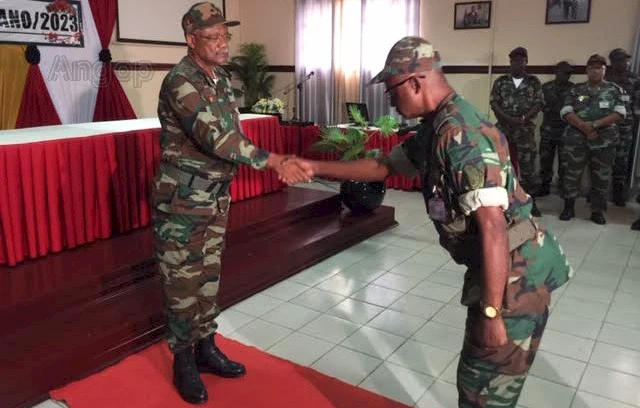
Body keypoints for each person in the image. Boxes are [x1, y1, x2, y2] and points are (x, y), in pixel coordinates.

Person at [284, 36, 572, 408]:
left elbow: (493, 227)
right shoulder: (438, 125)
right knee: (481, 387)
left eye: (391, 91)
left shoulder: (459, 134)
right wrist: (315, 167)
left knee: (481, 392)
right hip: (509, 266)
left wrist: (491, 312)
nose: (389, 101)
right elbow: (384, 165)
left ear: (416, 82)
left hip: (516, 274)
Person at [151, 2, 309, 404]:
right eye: (214, 37)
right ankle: (183, 358)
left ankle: (206, 346)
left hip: (216, 196)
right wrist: (274, 161)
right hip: (184, 200)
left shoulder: (219, 78)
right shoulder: (179, 82)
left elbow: (230, 132)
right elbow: (216, 138)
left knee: (208, 277)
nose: (224, 44)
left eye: (226, 35)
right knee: (182, 283)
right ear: (191, 40)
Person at [559, 54, 626, 225]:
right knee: (572, 175)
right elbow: (566, 111)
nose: (596, 71)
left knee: (601, 177)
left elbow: (619, 113)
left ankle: (597, 212)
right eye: (592, 68)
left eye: (600, 68)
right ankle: (568, 208)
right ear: (587, 70)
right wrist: (584, 126)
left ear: (605, 70)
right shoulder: (576, 90)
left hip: (604, 141)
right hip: (577, 140)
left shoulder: (614, 89)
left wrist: (595, 125)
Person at [490, 46, 544, 217]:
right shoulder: (501, 81)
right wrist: (507, 118)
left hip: (525, 130)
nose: (517, 64)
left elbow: (538, 104)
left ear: (526, 62)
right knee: (499, 165)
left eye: (521, 61)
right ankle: (503, 201)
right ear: (510, 62)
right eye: (514, 61)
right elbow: (494, 103)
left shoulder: (533, 82)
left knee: (528, 169)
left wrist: (522, 119)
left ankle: (530, 202)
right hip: (503, 129)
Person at [605, 48, 640, 207]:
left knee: (622, 160)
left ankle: (619, 192)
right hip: (604, 126)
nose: (625, 63)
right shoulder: (605, 79)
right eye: (621, 60)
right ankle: (598, 193)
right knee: (601, 159)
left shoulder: (635, 79)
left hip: (625, 127)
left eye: (626, 60)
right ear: (613, 62)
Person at [538, 61, 574, 196]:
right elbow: (540, 105)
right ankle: (544, 185)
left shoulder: (574, 89)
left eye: (569, 73)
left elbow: (576, 109)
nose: (567, 76)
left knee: (565, 162)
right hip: (548, 129)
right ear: (556, 72)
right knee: (545, 159)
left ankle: (563, 187)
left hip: (566, 130)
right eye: (564, 72)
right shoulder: (545, 88)